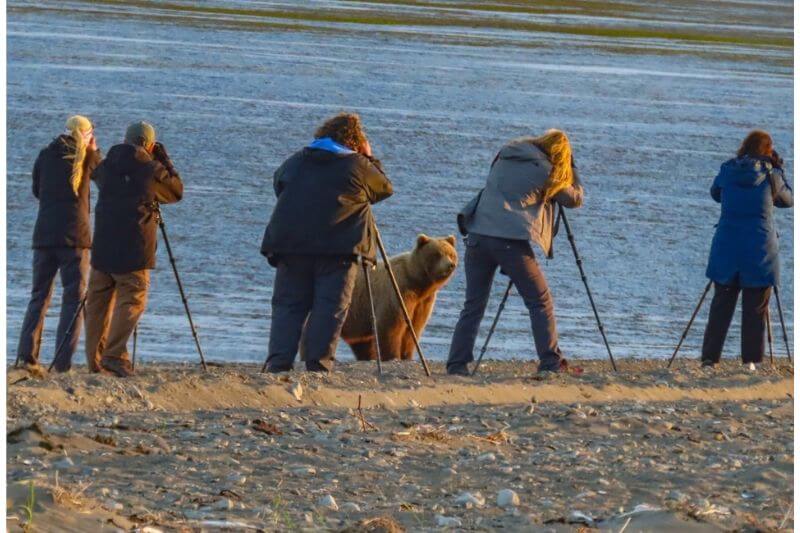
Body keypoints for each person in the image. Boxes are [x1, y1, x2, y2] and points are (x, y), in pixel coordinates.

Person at [261, 112, 393, 373]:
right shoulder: (357, 164)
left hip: (291, 245)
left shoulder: (297, 160)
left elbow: (279, 184)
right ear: (355, 141)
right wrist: (369, 157)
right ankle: (318, 366)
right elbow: (384, 188)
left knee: (288, 306)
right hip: (338, 249)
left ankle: (278, 365)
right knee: (329, 308)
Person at [448, 129, 584, 376]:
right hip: (510, 242)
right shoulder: (547, 171)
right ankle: (550, 362)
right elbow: (574, 199)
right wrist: (572, 170)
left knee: (473, 305)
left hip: (477, 234)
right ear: (559, 155)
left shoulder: (504, 155)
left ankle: (457, 365)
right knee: (540, 300)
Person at [84, 121, 183, 377]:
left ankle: (95, 361)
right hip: (134, 250)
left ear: (125, 139)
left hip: (103, 248)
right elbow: (175, 191)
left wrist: (94, 153)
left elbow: (94, 171)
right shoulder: (151, 169)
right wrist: (165, 160)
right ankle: (114, 356)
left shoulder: (107, 166)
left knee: (97, 304)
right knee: (132, 299)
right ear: (149, 144)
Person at [16, 115, 102, 374]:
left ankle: (26, 356)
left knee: (39, 297)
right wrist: (94, 150)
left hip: (44, 236)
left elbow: (36, 190)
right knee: (73, 299)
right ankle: (61, 362)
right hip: (75, 238)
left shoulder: (45, 154)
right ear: (87, 135)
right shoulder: (88, 158)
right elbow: (103, 174)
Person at [701, 130, 792, 369]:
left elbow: (715, 194)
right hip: (760, 249)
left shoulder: (728, 169)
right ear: (768, 150)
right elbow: (788, 200)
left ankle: (710, 360)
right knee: (755, 307)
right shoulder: (771, 175)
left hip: (727, 247)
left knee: (721, 303)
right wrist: (780, 170)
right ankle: (750, 362)